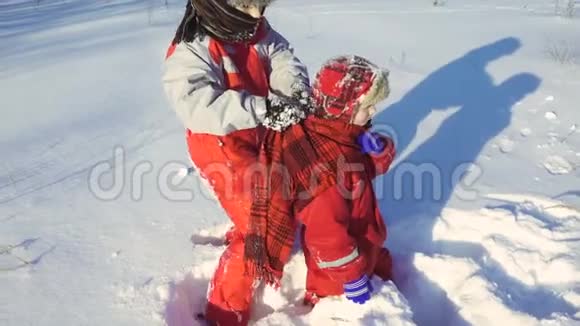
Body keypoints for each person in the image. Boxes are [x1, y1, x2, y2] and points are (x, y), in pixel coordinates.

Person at [162, 0, 309, 324]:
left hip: (256, 135)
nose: (258, 16)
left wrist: (291, 93)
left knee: (269, 200)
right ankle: (223, 311)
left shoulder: (252, 26)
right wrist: (262, 109)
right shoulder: (197, 45)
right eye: (248, 5)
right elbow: (194, 103)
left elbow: (282, 56)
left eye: (262, 5)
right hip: (220, 146)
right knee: (260, 229)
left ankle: (244, 226)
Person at [243, 55, 396, 307]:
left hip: (367, 242)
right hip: (338, 275)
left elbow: (370, 169)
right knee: (341, 312)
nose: (374, 111)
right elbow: (326, 236)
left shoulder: (343, 136)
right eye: (367, 106)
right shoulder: (325, 172)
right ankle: (319, 305)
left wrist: (377, 150)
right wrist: (351, 277)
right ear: (342, 107)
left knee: (386, 276)